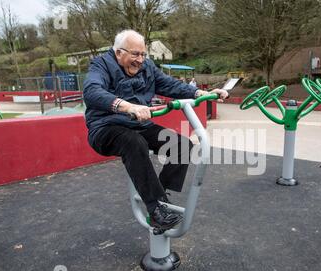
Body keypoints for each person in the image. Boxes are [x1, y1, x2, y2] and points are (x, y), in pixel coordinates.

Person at [83, 30, 228, 233]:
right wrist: (126, 106)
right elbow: (91, 91)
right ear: (118, 53)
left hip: (139, 125)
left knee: (182, 145)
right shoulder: (101, 65)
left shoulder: (147, 67)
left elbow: (169, 84)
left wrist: (201, 93)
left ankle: (160, 200)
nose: (140, 60)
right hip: (106, 127)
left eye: (143, 54)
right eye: (135, 54)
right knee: (134, 143)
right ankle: (155, 208)